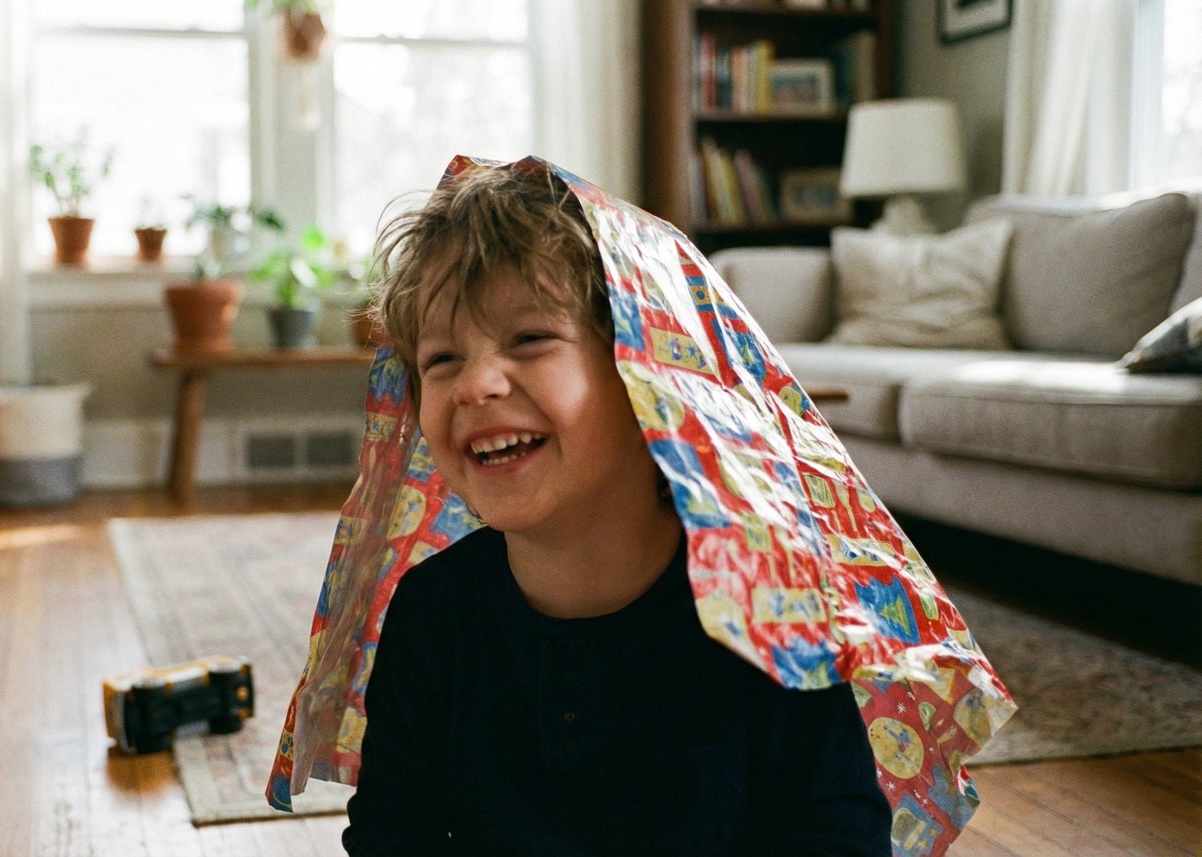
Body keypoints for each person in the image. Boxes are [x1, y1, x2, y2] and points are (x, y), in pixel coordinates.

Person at [266, 156, 1014, 857]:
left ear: (648, 377)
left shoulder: (768, 608)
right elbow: (395, 837)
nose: (477, 383)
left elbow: (833, 833)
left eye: (529, 339)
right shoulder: (434, 614)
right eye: (441, 358)